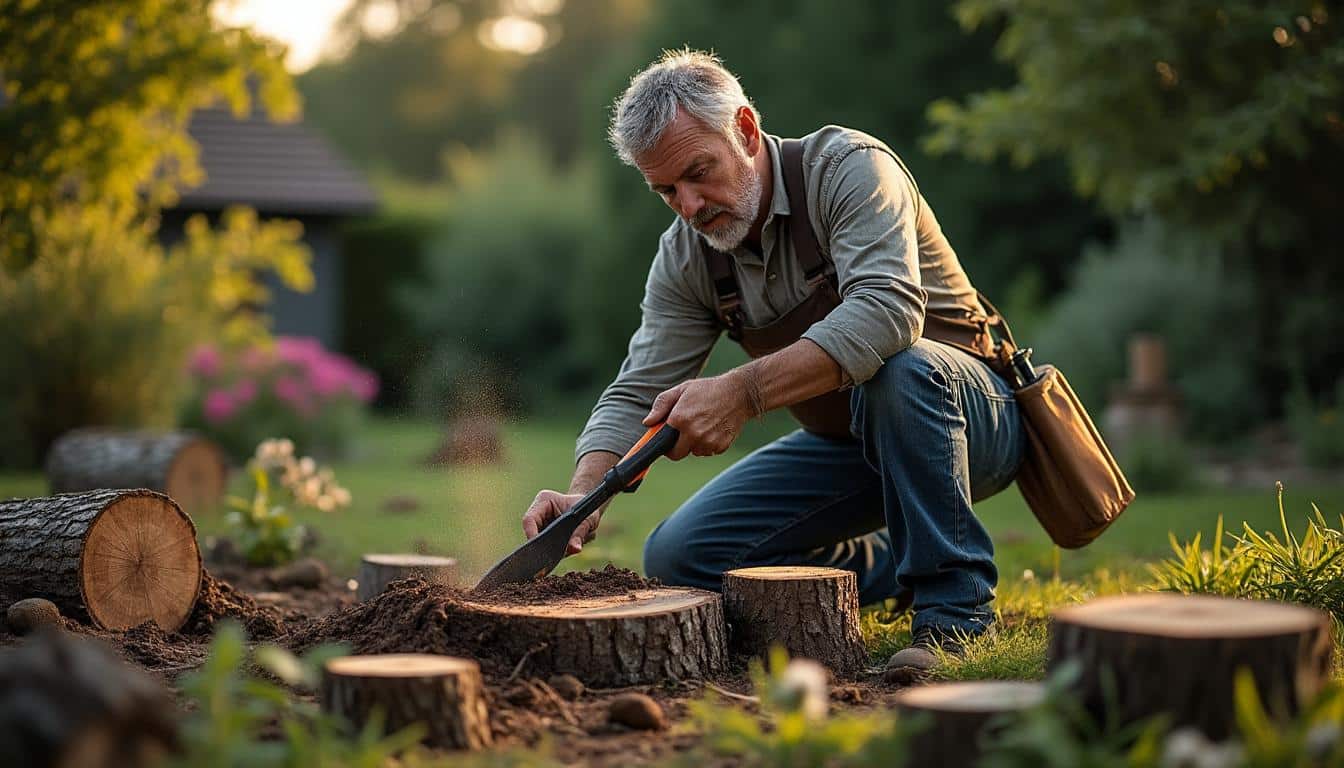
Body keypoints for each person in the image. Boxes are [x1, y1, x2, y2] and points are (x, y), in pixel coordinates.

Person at [521, 49, 1024, 681]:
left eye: (698, 172)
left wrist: (741, 393)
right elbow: (638, 389)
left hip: (973, 423)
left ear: (746, 129)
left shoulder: (850, 169)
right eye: (666, 191)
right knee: (681, 556)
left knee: (903, 369)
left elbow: (887, 312)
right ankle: (898, 568)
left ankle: (955, 619)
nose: (689, 205)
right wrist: (585, 493)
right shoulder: (688, 254)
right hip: (850, 446)